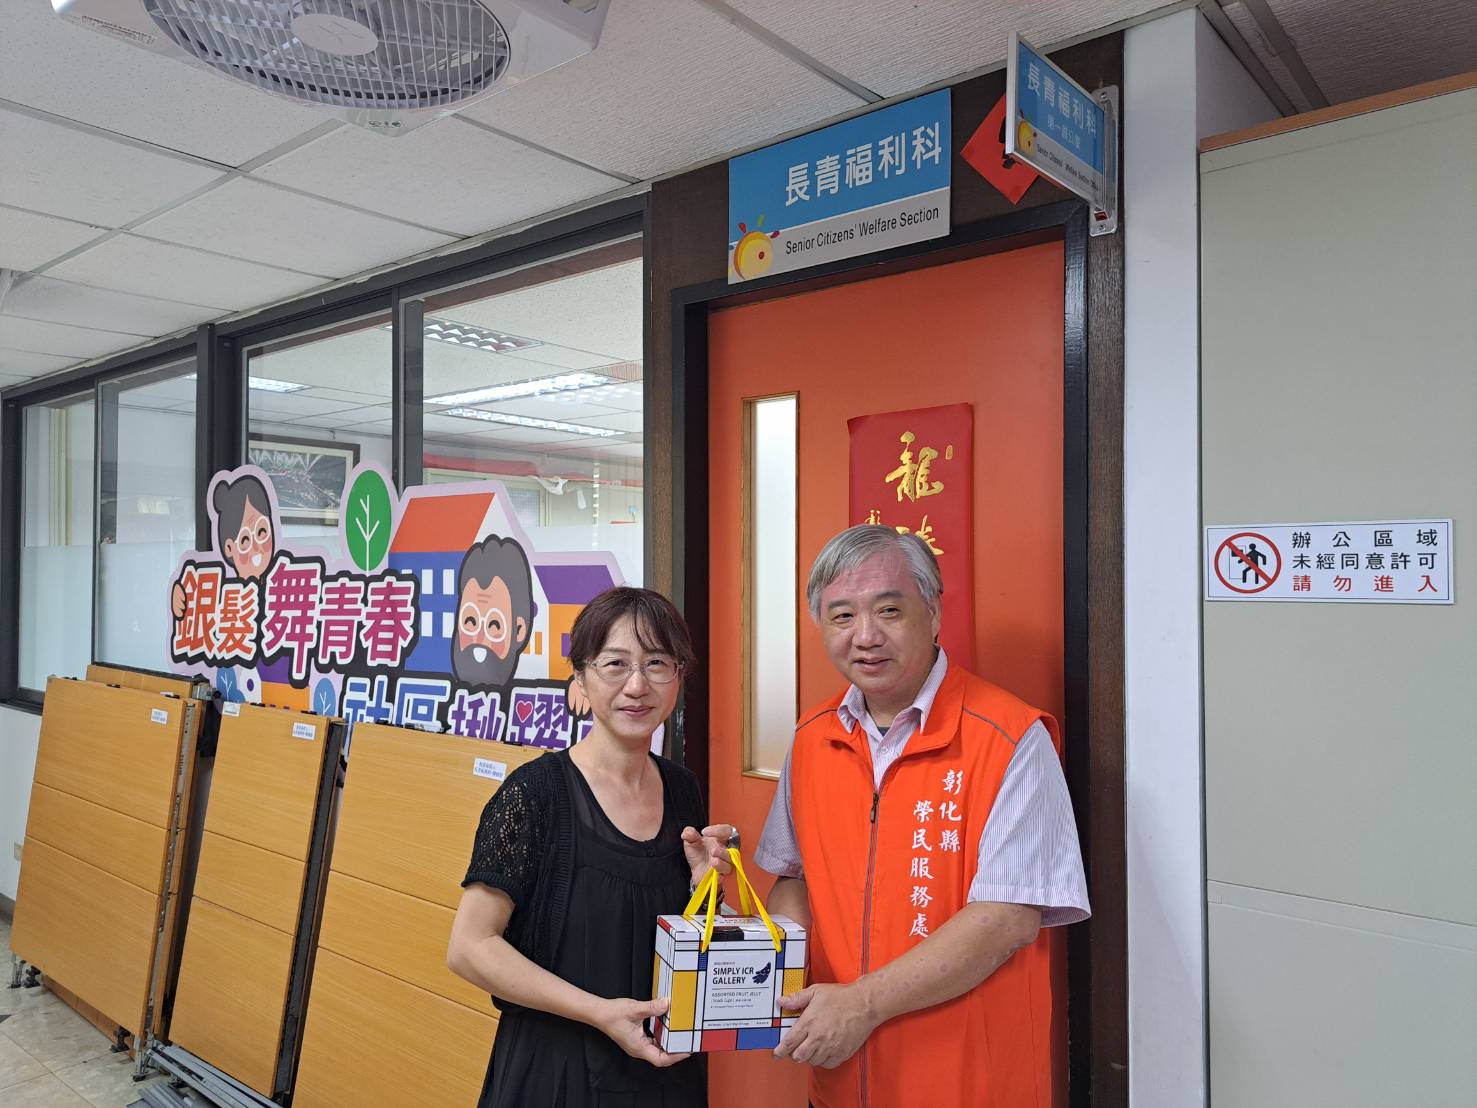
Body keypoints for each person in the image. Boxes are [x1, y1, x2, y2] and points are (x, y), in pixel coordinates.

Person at [755, 524, 1090, 1108]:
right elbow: (795, 878)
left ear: (933, 612)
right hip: (839, 1079)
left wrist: (862, 1003)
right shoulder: (812, 736)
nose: (865, 636)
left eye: (889, 610)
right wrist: (755, 962)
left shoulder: (1010, 736)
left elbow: (1008, 918)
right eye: (841, 616)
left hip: (966, 1085)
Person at [448, 586, 733, 1108]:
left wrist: (704, 887)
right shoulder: (533, 794)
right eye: (615, 664)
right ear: (580, 676)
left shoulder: (683, 790)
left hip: (665, 1075)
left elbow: (670, 934)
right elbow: (469, 947)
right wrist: (600, 1013)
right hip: (557, 1075)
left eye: (657, 663)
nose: (637, 685)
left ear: (679, 676)